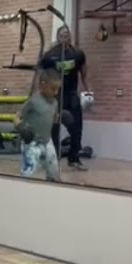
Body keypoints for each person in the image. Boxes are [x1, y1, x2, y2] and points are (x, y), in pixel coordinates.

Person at [40, 25, 93, 171]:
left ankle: (74, 159)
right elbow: (41, 75)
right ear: (58, 37)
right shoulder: (49, 55)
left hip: (71, 95)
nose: (64, 37)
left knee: (76, 128)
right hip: (55, 96)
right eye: (62, 34)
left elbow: (84, 74)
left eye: (67, 34)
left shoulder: (77, 54)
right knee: (54, 129)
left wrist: (89, 92)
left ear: (70, 36)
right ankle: (52, 160)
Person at [15, 67, 62, 182]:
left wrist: (63, 117)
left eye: (58, 89)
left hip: (47, 141)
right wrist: (20, 127)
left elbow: (54, 119)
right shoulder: (33, 101)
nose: (56, 92)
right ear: (42, 85)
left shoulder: (55, 103)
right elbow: (17, 116)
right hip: (32, 142)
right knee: (28, 173)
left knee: (54, 171)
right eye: (53, 89)